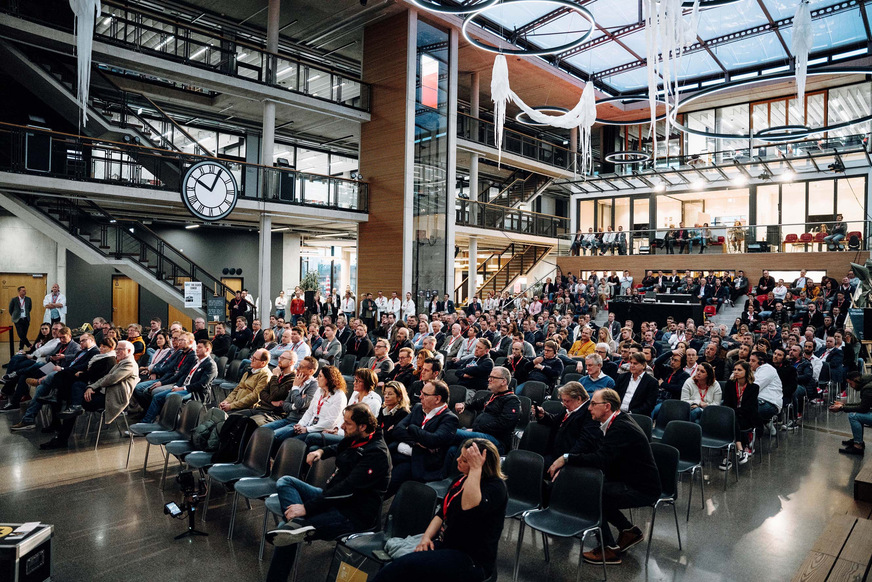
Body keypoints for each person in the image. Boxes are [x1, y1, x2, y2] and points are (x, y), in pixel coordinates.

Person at [265, 404, 391, 582]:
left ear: (363, 426)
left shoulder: (376, 454)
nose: (342, 426)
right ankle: (297, 524)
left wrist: (306, 508)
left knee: (283, 532)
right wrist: (320, 451)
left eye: (347, 423)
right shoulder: (356, 437)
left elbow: (346, 489)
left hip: (351, 514)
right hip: (331, 498)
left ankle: (294, 528)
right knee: (285, 481)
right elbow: (339, 447)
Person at [548, 388, 660, 565]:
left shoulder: (621, 427)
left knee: (592, 496)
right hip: (626, 478)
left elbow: (601, 459)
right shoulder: (614, 422)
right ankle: (628, 531)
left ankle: (608, 549)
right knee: (592, 490)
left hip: (641, 487)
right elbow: (603, 455)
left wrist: (566, 458)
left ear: (607, 406)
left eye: (593, 404)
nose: (589, 408)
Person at [374, 439, 507, 582]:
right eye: (460, 456)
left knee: (403, 567)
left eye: (465, 460)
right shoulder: (461, 479)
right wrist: (426, 537)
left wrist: (475, 469)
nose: (458, 460)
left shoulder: (496, 487)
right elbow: (441, 513)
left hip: (471, 559)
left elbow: (468, 505)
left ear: (481, 465)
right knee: (393, 567)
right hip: (446, 545)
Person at [41, 341, 138, 450]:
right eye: (117, 349)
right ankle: (63, 430)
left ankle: (61, 438)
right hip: (104, 393)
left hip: (112, 399)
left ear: (129, 351)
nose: (117, 351)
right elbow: (105, 378)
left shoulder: (129, 364)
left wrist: (92, 387)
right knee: (77, 387)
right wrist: (90, 387)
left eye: (120, 349)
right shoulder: (122, 362)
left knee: (73, 401)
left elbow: (110, 379)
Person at [389, 380, 459, 492]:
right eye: (421, 393)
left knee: (390, 481)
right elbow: (398, 430)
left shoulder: (449, 419)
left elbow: (433, 440)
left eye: (425, 394)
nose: (420, 397)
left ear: (437, 399)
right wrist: (416, 442)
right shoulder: (417, 408)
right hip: (397, 452)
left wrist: (411, 427)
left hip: (418, 462)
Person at [452, 366, 520, 454]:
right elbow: (476, 403)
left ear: (504, 381)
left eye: (493, 377)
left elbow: (503, 424)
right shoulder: (492, 396)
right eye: (489, 377)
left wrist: (476, 429)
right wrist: (464, 404)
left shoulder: (512, 401)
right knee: (452, 450)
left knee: (451, 432)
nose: (489, 380)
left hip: (496, 441)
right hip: (480, 434)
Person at [533, 381, 601, 467]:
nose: (564, 404)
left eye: (567, 401)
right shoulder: (570, 407)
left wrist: (567, 460)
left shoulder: (589, 413)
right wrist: (543, 415)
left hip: (568, 460)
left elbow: (584, 442)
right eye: (563, 401)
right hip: (554, 455)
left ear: (579, 399)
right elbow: (556, 420)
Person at [721, 361, 760, 468]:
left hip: (747, 417)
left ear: (746, 372)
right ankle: (740, 450)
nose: (735, 372)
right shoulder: (730, 384)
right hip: (733, 416)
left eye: (739, 370)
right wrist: (732, 412)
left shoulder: (754, 387)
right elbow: (726, 403)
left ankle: (727, 457)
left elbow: (749, 408)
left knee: (730, 422)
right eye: (734, 370)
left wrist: (732, 412)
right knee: (731, 421)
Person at [829, 371, 872, 455]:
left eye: (850, 383)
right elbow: (863, 404)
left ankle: (858, 446)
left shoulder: (868, 388)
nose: (851, 386)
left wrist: (842, 408)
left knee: (853, 416)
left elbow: (863, 408)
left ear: (855, 380)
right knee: (856, 414)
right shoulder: (867, 384)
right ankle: (857, 439)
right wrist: (844, 405)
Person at [379, 381, 411, 445]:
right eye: (385, 393)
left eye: (390, 394)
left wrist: (383, 431)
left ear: (400, 396)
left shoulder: (403, 413)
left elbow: (392, 436)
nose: (386, 396)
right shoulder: (383, 409)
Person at [9, 286, 32, 350]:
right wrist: (15, 316)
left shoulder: (28, 299)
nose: (25, 292)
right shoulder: (14, 300)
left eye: (25, 290)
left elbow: (29, 308)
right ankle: (29, 345)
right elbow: (10, 310)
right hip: (18, 319)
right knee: (20, 334)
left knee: (24, 335)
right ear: (19, 291)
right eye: (23, 291)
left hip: (26, 319)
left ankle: (21, 348)